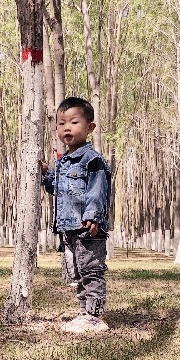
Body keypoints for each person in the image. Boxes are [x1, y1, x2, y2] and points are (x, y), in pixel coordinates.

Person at [39, 97, 111, 333]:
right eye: (61, 124)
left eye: (74, 122)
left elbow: (98, 191)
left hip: (87, 227)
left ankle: (94, 316)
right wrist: (47, 174)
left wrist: (94, 216)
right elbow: (58, 190)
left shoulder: (92, 160)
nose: (67, 128)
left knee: (91, 270)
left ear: (90, 127)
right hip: (69, 228)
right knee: (78, 272)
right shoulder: (64, 163)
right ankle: (84, 313)